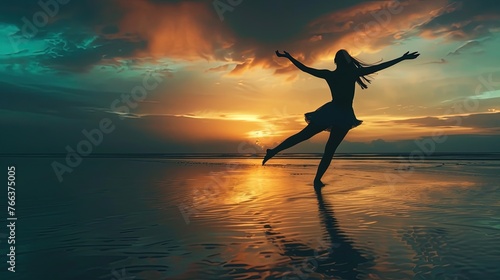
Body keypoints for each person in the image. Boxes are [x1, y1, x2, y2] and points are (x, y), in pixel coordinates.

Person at [262, 49, 420, 188]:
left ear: (336, 61)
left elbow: (306, 69)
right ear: (348, 61)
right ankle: (316, 180)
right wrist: (401, 58)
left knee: (303, 136)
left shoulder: (330, 75)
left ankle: (274, 151)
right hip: (343, 115)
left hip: (330, 112)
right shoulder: (352, 73)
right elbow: (378, 67)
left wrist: (289, 57)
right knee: (329, 150)